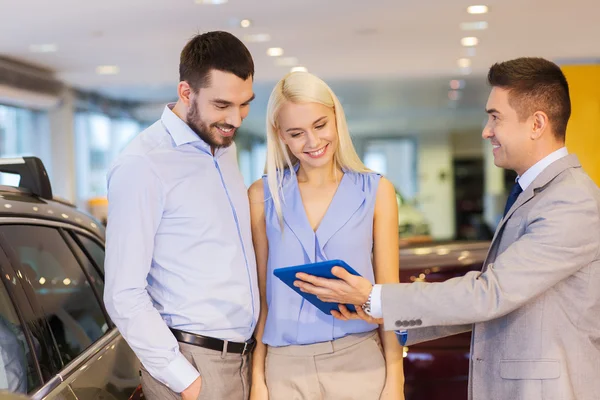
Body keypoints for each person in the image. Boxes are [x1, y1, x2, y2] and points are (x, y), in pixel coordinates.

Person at [294, 57, 600, 400]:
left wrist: (373, 297)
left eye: (495, 117)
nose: (486, 130)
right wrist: (386, 314)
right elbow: (502, 301)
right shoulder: (537, 193)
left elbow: (491, 294)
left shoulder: (572, 201)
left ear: (537, 124)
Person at [104, 31, 259, 400]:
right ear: (186, 93)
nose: (235, 119)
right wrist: (185, 380)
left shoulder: (223, 148)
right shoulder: (142, 164)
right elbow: (123, 294)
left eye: (245, 104)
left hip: (243, 360)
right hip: (194, 365)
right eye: (222, 104)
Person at [248, 71, 404, 400]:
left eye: (320, 125)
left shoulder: (376, 191)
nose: (313, 142)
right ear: (281, 136)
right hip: (285, 369)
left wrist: (395, 381)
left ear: (336, 117)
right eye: (296, 133)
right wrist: (258, 379)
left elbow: (388, 296)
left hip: (359, 363)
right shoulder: (262, 196)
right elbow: (264, 299)